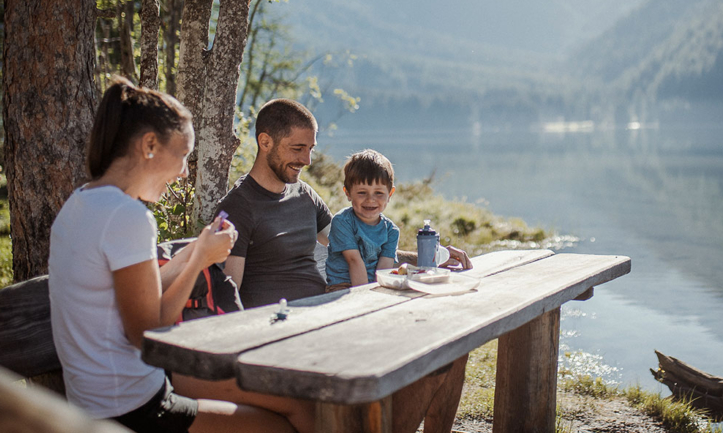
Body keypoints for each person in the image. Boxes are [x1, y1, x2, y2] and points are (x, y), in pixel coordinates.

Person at [49, 78, 313, 433]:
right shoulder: (127, 216)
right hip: (134, 405)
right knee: (294, 417)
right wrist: (201, 262)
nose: (185, 171)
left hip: (105, 394)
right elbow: (149, 335)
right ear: (149, 145)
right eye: (184, 155)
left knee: (290, 397)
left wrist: (194, 251)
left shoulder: (83, 201)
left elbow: (138, 291)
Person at [215, 98, 470, 433]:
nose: (306, 160)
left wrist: (432, 257)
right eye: (297, 148)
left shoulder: (303, 194)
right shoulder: (239, 206)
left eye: (311, 149)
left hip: (329, 314)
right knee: (414, 364)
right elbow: (229, 295)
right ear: (265, 142)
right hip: (285, 333)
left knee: (449, 349)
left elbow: (354, 244)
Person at [325, 149, 400, 290]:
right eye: (361, 192)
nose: (370, 199)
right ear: (348, 193)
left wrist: (378, 294)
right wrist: (365, 299)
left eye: (378, 193)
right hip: (342, 287)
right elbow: (354, 260)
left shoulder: (391, 231)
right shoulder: (342, 222)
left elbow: (384, 270)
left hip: (374, 287)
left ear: (390, 194)